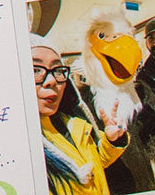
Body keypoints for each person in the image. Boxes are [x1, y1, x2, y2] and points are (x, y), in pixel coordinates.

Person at [32, 36, 129, 195]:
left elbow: (94, 165)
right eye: (35, 70)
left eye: (57, 70)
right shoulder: (15, 148)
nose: (51, 81)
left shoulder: (71, 124)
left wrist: (112, 141)